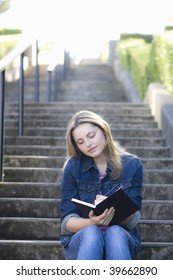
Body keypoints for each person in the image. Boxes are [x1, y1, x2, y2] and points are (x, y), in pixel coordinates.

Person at [60, 110, 143, 260]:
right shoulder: (72, 168)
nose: (88, 144)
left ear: (104, 130)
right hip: (83, 242)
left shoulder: (132, 165)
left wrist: (111, 211)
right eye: (80, 142)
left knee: (115, 232)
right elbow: (67, 222)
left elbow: (133, 219)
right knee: (92, 231)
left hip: (121, 240)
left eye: (91, 135)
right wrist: (92, 222)